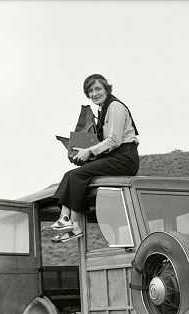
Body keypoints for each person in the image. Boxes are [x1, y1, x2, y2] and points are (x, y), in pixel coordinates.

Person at [51, 74, 140, 243]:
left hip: (125, 158)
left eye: (97, 89)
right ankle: (70, 223)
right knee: (71, 174)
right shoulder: (102, 109)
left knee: (78, 175)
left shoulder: (115, 107)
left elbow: (114, 140)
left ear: (106, 89)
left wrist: (89, 152)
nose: (94, 93)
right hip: (114, 156)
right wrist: (83, 151)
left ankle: (69, 222)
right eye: (90, 91)